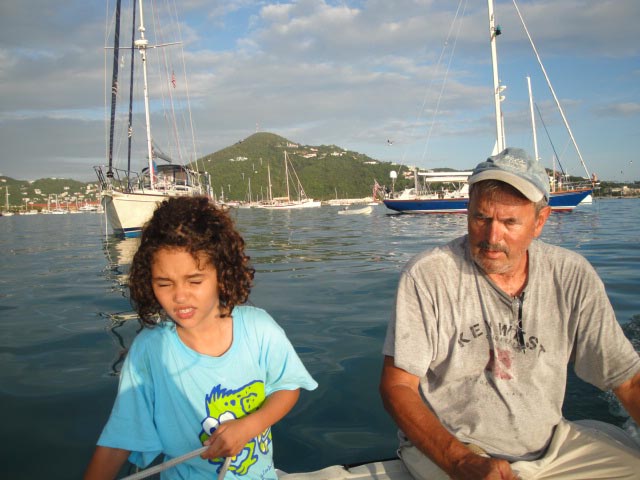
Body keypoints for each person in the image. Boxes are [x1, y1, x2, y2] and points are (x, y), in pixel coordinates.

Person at [379, 148, 640, 480]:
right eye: (481, 218)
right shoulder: (428, 276)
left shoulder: (572, 276)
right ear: (467, 211)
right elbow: (397, 385)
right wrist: (459, 461)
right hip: (456, 450)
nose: (492, 236)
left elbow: (629, 381)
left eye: (509, 222)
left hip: (552, 446)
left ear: (540, 221)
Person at [85, 196, 317, 479]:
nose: (180, 296)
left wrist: (250, 425)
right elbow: (119, 438)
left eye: (195, 281)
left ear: (222, 273)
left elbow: (287, 386)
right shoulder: (149, 350)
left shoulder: (260, 328)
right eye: (164, 283)